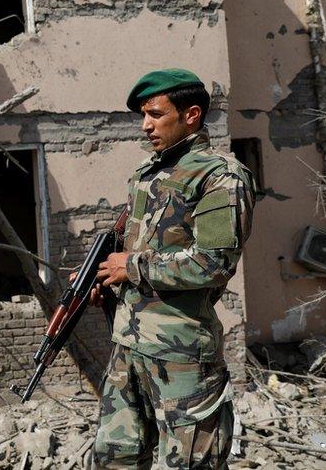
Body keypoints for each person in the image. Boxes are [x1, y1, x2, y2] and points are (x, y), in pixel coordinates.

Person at [91, 68, 255, 469]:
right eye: (142, 116)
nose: (145, 126)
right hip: (130, 345)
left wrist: (131, 267)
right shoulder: (148, 174)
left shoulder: (220, 176)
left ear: (192, 115)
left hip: (180, 353)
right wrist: (107, 278)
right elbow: (139, 247)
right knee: (115, 457)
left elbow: (213, 263)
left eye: (155, 114)